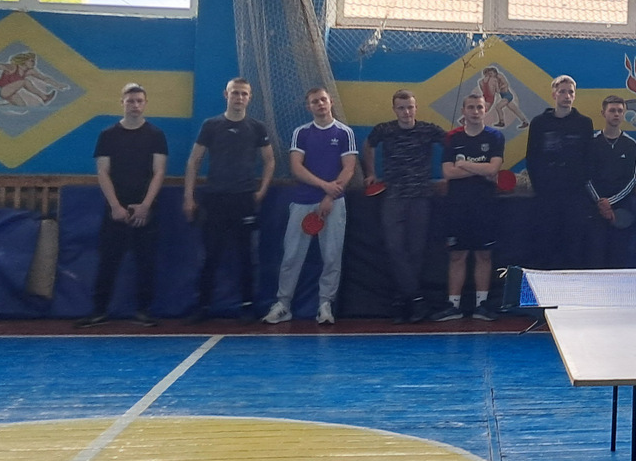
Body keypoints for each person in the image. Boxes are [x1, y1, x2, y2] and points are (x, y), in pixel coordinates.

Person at [182, 77, 273, 323]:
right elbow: (194, 161)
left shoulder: (257, 127)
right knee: (211, 255)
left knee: (246, 255)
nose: (239, 97)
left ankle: (247, 306)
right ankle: (203, 306)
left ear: (249, 97)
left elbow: (270, 160)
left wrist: (262, 191)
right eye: (235, 93)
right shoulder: (211, 125)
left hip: (244, 199)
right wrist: (188, 197)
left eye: (244, 94)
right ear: (226, 94)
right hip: (215, 199)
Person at [76, 83, 167, 328]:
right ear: (122, 103)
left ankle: (143, 311)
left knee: (145, 261)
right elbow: (103, 172)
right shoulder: (108, 135)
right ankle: (99, 310)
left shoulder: (156, 135)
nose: (135, 105)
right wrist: (115, 206)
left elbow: (159, 172)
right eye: (130, 101)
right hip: (115, 208)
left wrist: (146, 205)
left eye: (139, 101)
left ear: (145, 104)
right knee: (108, 260)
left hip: (146, 209)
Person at [265, 87, 357, 325]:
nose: (320, 104)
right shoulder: (301, 133)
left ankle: (325, 305)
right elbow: (296, 168)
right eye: (315, 102)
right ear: (309, 107)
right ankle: (283, 305)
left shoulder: (345, 132)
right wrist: (325, 186)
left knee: (332, 256)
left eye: (323, 100)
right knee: (291, 256)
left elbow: (349, 168)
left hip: (334, 203)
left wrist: (329, 196)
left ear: (330, 102)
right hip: (302, 201)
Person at [363, 89, 447, 323]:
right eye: (401, 108)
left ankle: (402, 302)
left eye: (410, 107)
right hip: (393, 197)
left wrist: (448, 175)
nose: (406, 112)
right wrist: (370, 172)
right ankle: (417, 299)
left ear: (416, 108)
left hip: (421, 197)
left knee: (416, 251)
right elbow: (368, 145)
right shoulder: (384, 129)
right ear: (394, 110)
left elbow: (453, 144)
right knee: (394, 248)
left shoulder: (429, 130)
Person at [441, 94, 503, 322]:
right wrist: (481, 168)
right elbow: (448, 172)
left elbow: (493, 170)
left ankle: (481, 305)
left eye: (479, 107)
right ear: (464, 111)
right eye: (471, 107)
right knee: (457, 255)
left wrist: (464, 164)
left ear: (485, 110)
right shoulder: (452, 137)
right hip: (457, 206)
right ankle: (453, 306)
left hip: (485, 206)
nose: (475, 111)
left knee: (483, 255)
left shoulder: (495, 137)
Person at [526, 75, 594, 269]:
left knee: (573, 245)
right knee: (546, 243)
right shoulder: (539, 123)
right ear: (554, 95)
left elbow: (588, 158)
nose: (567, 96)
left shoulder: (584, 123)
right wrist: (541, 187)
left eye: (570, 92)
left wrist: (579, 184)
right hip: (547, 195)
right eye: (562, 92)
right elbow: (532, 158)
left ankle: (572, 285)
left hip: (574, 196)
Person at [587, 96, 636, 268]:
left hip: (621, 211)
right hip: (595, 211)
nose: (616, 114)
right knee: (596, 259)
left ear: (624, 114)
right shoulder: (592, 143)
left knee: (618, 260)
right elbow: (586, 177)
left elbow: (633, 178)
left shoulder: (631, 144)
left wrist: (610, 202)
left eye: (620, 111)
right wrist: (601, 203)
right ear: (603, 113)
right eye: (612, 110)